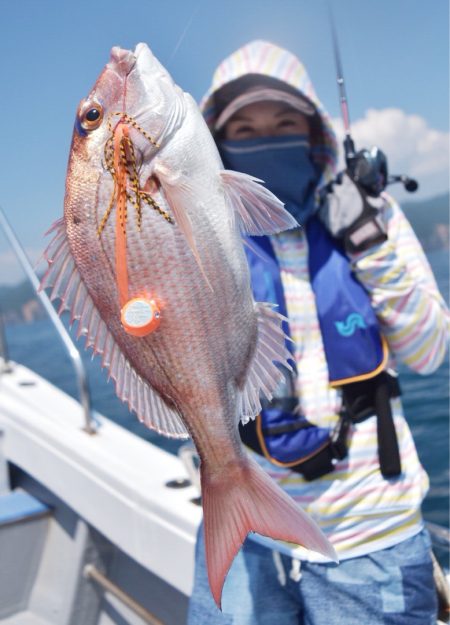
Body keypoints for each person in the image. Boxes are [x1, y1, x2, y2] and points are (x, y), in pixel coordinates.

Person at [187, 40, 450, 625]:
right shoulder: (203, 235)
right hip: (246, 535)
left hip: (369, 540)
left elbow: (430, 352)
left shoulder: (372, 214)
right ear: (216, 143)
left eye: (284, 122)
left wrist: (368, 241)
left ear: (315, 136)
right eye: (245, 129)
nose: (266, 139)